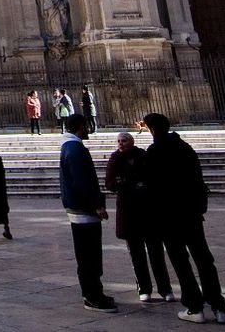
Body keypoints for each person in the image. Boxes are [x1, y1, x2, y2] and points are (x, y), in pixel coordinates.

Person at [142, 112, 225, 324]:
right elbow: (198, 179)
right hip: (192, 213)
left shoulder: (154, 152)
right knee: (204, 259)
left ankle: (194, 307)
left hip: (169, 216)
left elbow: (150, 187)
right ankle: (218, 307)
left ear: (152, 129)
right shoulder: (186, 148)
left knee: (181, 261)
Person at [104, 130, 173, 304]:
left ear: (132, 142)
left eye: (124, 140)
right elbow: (110, 184)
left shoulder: (144, 156)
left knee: (156, 253)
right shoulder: (114, 159)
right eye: (119, 141)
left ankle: (165, 289)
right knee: (137, 255)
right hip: (129, 212)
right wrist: (125, 182)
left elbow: (154, 178)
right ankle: (144, 289)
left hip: (148, 210)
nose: (121, 143)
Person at [60, 113, 116, 313]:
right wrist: (96, 204)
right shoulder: (74, 149)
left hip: (81, 208)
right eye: (86, 125)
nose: (89, 129)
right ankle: (91, 296)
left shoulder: (70, 147)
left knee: (90, 253)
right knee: (88, 254)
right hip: (83, 209)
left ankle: (95, 292)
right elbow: (82, 180)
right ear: (81, 126)